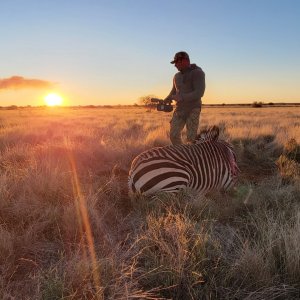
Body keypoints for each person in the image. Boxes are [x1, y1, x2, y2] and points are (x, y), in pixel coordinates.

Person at [164, 51, 205, 145]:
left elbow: (199, 92)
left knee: (191, 138)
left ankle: (192, 157)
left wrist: (182, 97)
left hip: (193, 108)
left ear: (185, 61)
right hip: (180, 109)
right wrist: (166, 99)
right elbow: (174, 91)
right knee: (173, 135)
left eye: (177, 62)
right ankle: (182, 155)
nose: (175, 65)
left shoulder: (198, 73)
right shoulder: (176, 76)